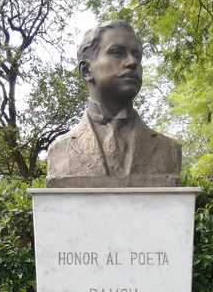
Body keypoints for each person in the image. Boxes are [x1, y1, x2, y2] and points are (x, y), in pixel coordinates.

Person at [46, 20, 181, 187]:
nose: (132, 62)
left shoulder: (168, 150)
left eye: (137, 55)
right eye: (117, 53)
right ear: (87, 70)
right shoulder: (61, 151)